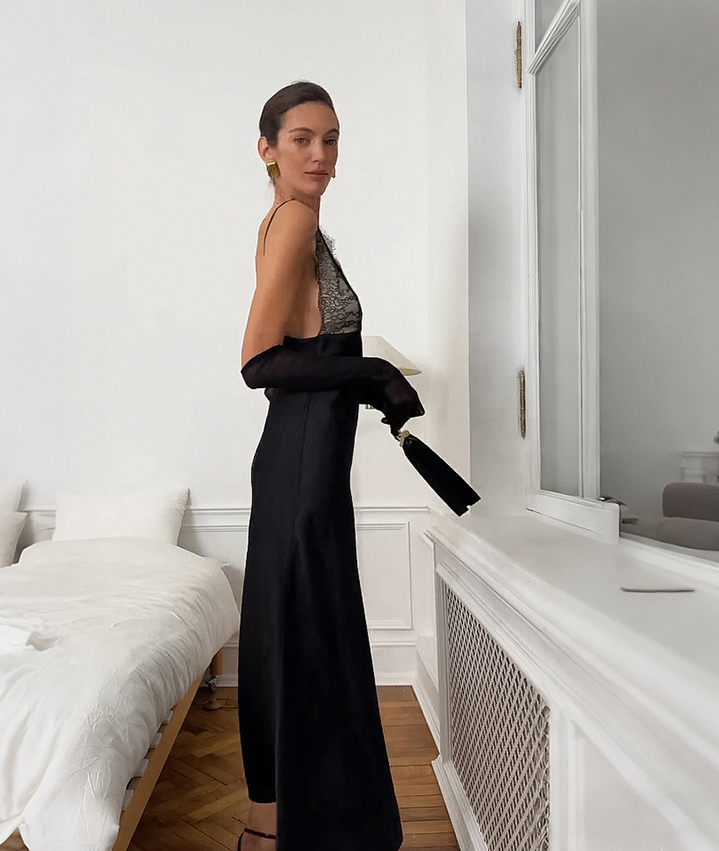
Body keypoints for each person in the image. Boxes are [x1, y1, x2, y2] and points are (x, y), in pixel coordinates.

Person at [237, 81, 424, 851]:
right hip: (303, 464)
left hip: (304, 459)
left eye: (332, 138)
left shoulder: (293, 220)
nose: (320, 153)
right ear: (268, 149)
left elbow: (303, 351)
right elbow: (258, 361)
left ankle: (270, 828)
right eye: (303, 138)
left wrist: (367, 379)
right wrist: (370, 371)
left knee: (297, 636)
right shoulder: (294, 221)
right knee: (309, 638)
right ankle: (298, 831)